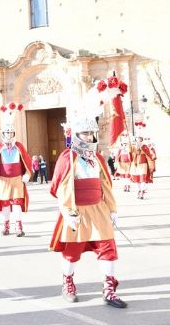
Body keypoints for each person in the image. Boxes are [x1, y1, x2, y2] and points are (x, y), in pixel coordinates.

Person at [49, 100, 127, 308]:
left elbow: (106, 185)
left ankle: (109, 290)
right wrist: (68, 212)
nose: (90, 138)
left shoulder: (98, 158)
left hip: (98, 209)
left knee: (107, 248)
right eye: (85, 134)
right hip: (77, 211)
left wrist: (112, 209)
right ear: (76, 135)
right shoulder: (68, 157)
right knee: (72, 252)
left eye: (91, 134)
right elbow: (61, 186)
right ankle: (67, 283)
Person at [0, 103, 32, 236]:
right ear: (3, 133)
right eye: (7, 132)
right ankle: (6, 225)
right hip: (3, 180)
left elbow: (27, 160)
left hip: (17, 178)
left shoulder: (19, 146)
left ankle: (19, 226)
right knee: (6, 204)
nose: (9, 134)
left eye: (11, 132)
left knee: (17, 203)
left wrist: (27, 174)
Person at [130, 134, 155, 200]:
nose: (138, 140)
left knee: (143, 178)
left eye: (139, 139)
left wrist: (140, 149)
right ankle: (139, 190)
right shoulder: (133, 146)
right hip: (135, 165)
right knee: (137, 179)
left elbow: (148, 154)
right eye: (137, 138)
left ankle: (142, 191)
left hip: (143, 164)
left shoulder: (144, 146)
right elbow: (131, 153)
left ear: (141, 139)